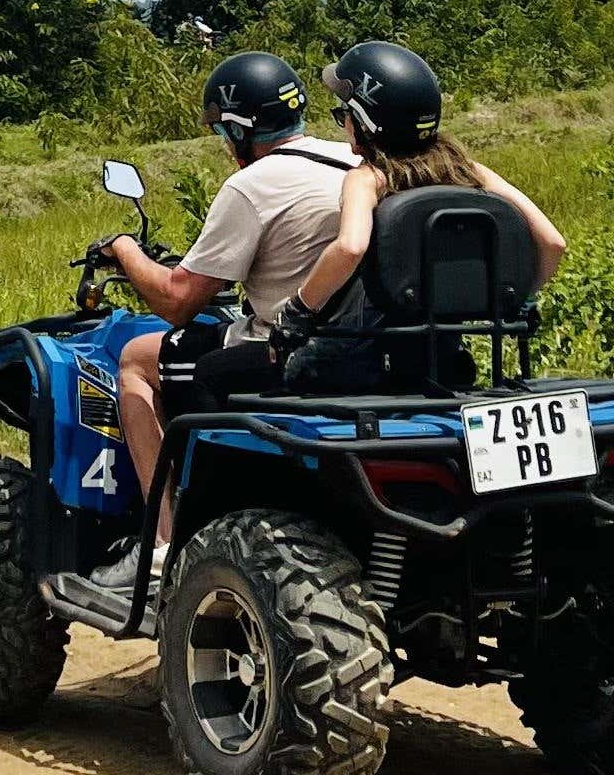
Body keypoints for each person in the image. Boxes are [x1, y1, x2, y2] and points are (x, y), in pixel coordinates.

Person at [88, 50, 359, 590]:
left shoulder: (252, 186)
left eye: (222, 133)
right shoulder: (353, 160)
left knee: (136, 361)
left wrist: (123, 250)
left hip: (289, 346)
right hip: (363, 340)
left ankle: (162, 542)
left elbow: (177, 298)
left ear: (238, 129)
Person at [277, 42, 567, 389]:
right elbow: (552, 242)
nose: (345, 124)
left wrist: (296, 312)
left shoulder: (367, 178)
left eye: (345, 115)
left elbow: (350, 248)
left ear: (365, 123)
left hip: (361, 352)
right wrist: (521, 300)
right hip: (443, 353)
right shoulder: (470, 171)